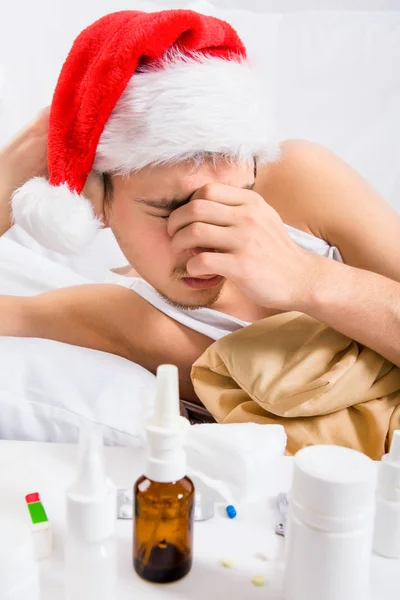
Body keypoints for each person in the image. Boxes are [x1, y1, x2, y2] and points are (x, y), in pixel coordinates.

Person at [1, 8, 400, 415]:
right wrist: (9, 173)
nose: (206, 236)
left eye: (240, 194)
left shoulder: (301, 180)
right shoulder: (126, 317)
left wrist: (306, 278)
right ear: (94, 199)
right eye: (168, 209)